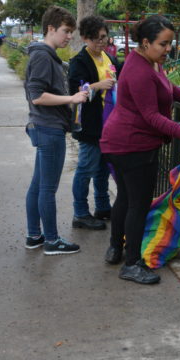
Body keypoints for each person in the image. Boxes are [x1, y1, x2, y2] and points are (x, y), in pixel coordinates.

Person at [100, 15, 180, 284]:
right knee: (137, 204)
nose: (168, 49)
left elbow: (170, 89)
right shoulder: (139, 70)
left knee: (125, 198)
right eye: (164, 44)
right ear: (146, 42)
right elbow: (152, 116)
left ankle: (116, 248)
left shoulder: (148, 62)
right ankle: (133, 263)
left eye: (170, 43)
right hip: (132, 145)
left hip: (122, 142)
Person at [24, 6, 89, 255]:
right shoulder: (42, 56)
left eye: (71, 32)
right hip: (48, 128)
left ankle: (34, 236)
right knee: (47, 189)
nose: (69, 36)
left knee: (38, 186)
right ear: (50, 29)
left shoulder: (45, 55)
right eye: (66, 31)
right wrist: (71, 99)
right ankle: (51, 240)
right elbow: (38, 96)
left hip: (44, 126)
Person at [68, 16, 121, 230]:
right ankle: (80, 213)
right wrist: (98, 85)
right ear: (85, 39)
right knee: (86, 168)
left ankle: (102, 207)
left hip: (108, 124)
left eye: (104, 38)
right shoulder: (79, 62)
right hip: (90, 125)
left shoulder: (109, 58)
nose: (101, 43)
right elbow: (74, 92)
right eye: (96, 39)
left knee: (102, 169)